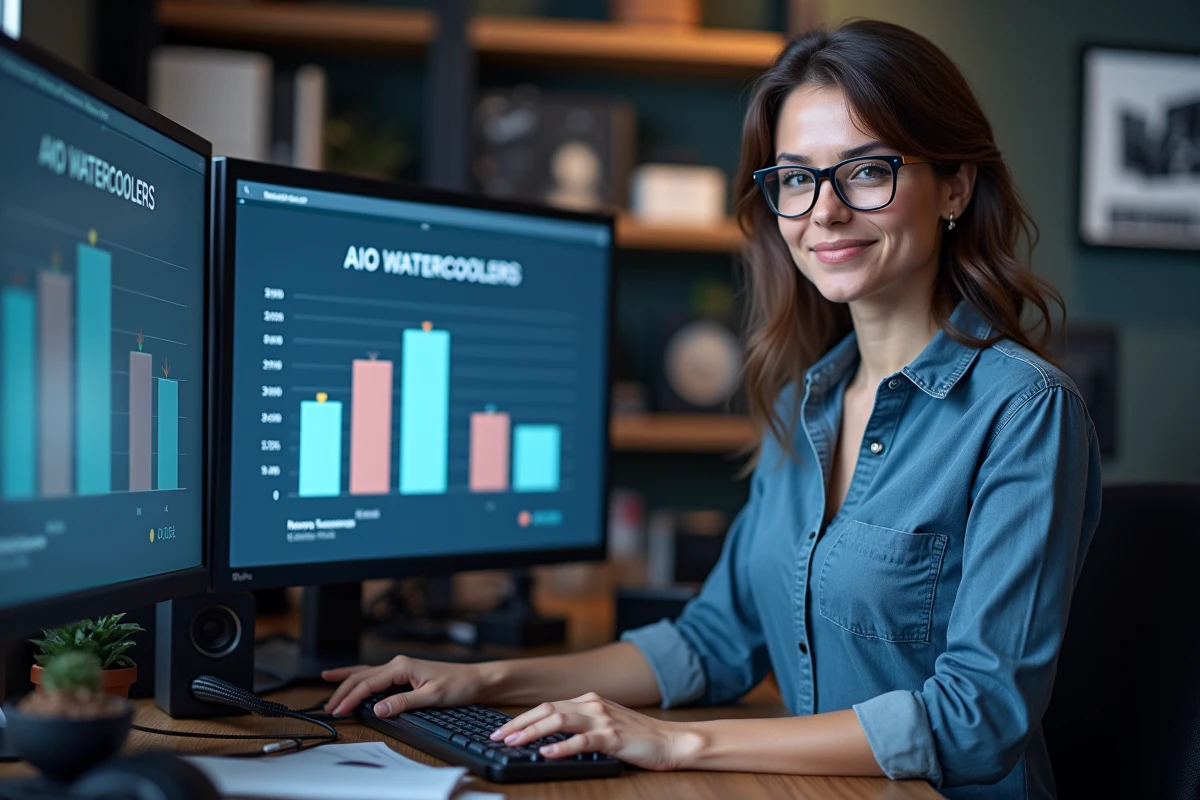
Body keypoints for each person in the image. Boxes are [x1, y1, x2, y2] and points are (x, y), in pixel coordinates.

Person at [323, 18, 1101, 799]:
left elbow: (977, 720)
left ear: (956, 186)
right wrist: (482, 679)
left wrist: (678, 741)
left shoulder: (1025, 411)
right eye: (795, 179)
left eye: (867, 171)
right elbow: (715, 639)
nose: (824, 212)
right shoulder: (805, 403)